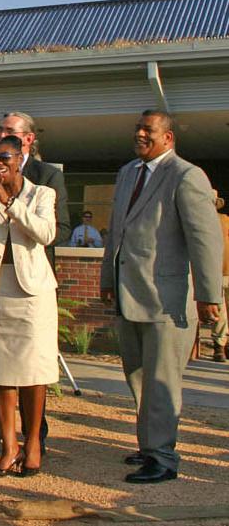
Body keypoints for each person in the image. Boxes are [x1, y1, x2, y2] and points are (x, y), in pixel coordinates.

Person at [100, 110, 223, 484]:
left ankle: (163, 459)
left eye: (147, 130)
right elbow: (116, 234)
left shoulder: (187, 176)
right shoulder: (127, 174)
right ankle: (149, 444)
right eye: (137, 129)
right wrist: (108, 278)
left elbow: (205, 240)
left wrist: (208, 295)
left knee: (161, 381)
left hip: (167, 299)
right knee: (137, 376)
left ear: (167, 138)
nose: (139, 134)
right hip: (129, 296)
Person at [0, 111, 69, 459]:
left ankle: (34, 442)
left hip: (32, 291)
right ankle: (8, 446)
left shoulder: (41, 193)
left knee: (33, 369)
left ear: (20, 160)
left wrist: (11, 203)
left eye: (4, 158)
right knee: (2, 371)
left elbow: (46, 233)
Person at [209, 194, 229, 362]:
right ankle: (219, 345)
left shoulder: (224, 220)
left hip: (220, 270)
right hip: (214, 271)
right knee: (218, 310)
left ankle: (220, 345)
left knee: (219, 310)